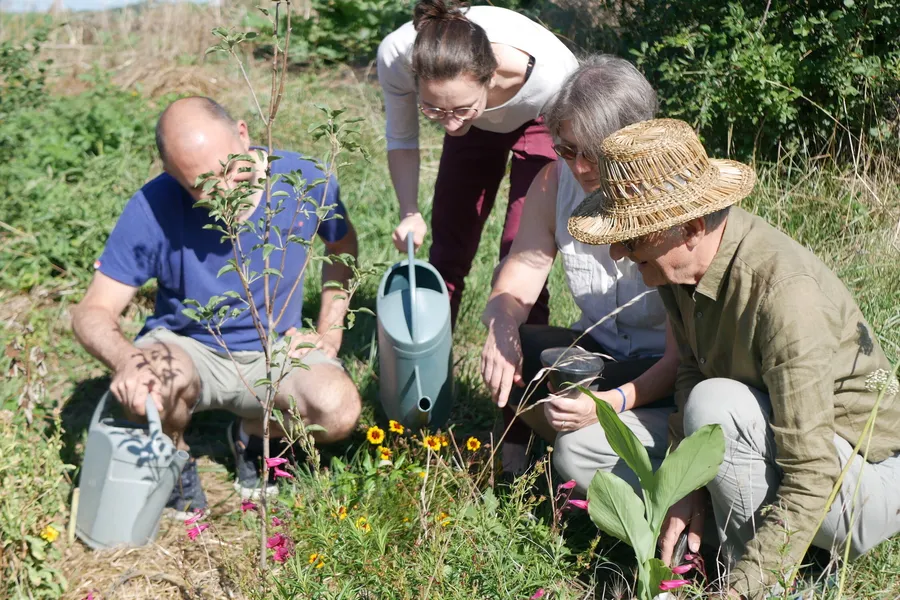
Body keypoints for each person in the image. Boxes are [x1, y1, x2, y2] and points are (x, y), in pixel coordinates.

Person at [567, 117, 900, 599]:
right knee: (580, 451)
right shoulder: (678, 268)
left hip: (859, 478)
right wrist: (688, 487)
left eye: (633, 238)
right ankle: (692, 545)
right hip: (763, 436)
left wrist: (739, 592)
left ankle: (760, 577)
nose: (618, 251)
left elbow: (810, 474)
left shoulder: (786, 296)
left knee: (714, 404)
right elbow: (689, 370)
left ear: (692, 227)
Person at [71, 97, 362, 516]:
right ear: (173, 176)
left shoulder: (304, 180)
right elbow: (92, 311)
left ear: (243, 135)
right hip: (188, 346)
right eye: (202, 185)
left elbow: (341, 244)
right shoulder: (153, 205)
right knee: (147, 393)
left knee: (338, 409)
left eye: (231, 170)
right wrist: (127, 360)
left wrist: (330, 330)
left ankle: (256, 433)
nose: (226, 193)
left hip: (277, 348)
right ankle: (176, 458)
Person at [480, 55, 678, 486]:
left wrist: (612, 402)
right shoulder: (554, 184)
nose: (579, 166)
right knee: (521, 346)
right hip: (596, 354)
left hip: (664, 369)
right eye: (566, 149)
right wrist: (500, 320)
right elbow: (521, 275)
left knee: (568, 392)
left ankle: (587, 445)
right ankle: (516, 448)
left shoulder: (676, 193)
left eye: (592, 152)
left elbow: (688, 355)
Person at [377, 0, 578, 327]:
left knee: (521, 253)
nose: (450, 127)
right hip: (479, 119)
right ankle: (431, 366)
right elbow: (402, 139)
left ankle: (524, 374)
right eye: (432, 110)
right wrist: (409, 212)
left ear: (491, 76)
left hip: (541, 115)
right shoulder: (398, 55)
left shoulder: (555, 77)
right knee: (447, 246)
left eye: (460, 110)